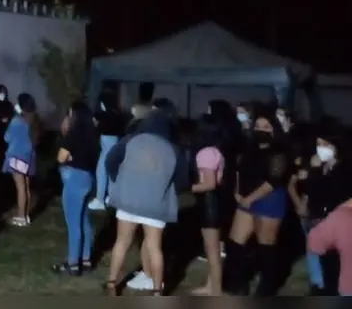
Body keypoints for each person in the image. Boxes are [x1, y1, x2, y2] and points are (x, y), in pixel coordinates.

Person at [103, 108, 183, 296]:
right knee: (155, 248)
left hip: (128, 198)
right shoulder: (173, 148)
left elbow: (110, 161)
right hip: (156, 203)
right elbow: (182, 179)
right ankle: (157, 290)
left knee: (121, 242)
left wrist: (119, 179)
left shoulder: (131, 140)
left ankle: (111, 284)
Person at [222, 109, 290, 296]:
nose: (261, 130)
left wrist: (249, 199)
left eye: (266, 126)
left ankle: (267, 288)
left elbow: (273, 180)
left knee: (265, 247)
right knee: (235, 243)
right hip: (244, 200)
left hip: (268, 200)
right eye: (258, 126)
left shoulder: (279, 152)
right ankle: (238, 285)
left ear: (274, 129)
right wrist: (237, 192)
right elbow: (238, 170)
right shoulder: (248, 147)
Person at [290, 125, 347, 295]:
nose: (321, 148)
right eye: (319, 144)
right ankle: (318, 286)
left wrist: (314, 172)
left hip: (334, 224)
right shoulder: (318, 166)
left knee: (333, 266)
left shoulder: (344, 170)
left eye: (326, 145)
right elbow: (310, 190)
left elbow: (332, 192)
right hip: (315, 219)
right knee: (315, 257)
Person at [52, 101, 99, 276]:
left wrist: (69, 156)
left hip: (74, 180)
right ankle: (86, 260)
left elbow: (60, 157)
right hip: (88, 180)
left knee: (73, 224)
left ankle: (72, 264)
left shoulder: (73, 134)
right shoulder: (92, 135)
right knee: (84, 221)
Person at [190, 113, 228, 296]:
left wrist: (187, 188)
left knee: (212, 252)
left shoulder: (205, 153)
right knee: (212, 249)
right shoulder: (216, 151)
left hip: (209, 204)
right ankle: (210, 285)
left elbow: (209, 183)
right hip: (214, 202)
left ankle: (217, 292)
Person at [3, 93, 39, 227]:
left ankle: (21, 216)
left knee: (20, 187)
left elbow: (7, 138)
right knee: (26, 186)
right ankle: (26, 214)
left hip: (17, 156)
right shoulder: (33, 120)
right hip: (29, 156)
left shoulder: (17, 121)